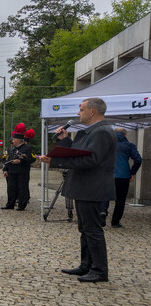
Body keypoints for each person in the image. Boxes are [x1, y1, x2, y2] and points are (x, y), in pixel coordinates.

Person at [39, 98, 116, 283]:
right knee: (85, 229)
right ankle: (86, 265)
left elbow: (91, 160)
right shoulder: (92, 131)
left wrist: (55, 161)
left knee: (92, 230)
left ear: (92, 111)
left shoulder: (102, 132)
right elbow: (79, 152)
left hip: (91, 187)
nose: (78, 113)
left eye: (81, 110)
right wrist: (65, 141)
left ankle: (99, 270)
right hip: (85, 187)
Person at [102, 128, 142, 228]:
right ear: (125, 135)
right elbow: (138, 160)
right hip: (123, 176)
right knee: (120, 200)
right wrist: (132, 172)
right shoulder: (129, 145)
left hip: (107, 175)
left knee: (105, 196)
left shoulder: (106, 144)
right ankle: (115, 222)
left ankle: (102, 212)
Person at [2, 124, 34, 211]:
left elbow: (32, 159)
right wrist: (5, 169)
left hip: (22, 172)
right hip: (12, 171)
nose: (12, 141)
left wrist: (21, 161)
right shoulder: (11, 149)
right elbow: (7, 160)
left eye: (14, 139)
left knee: (22, 188)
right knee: (11, 188)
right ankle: (10, 204)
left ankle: (22, 205)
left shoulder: (27, 148)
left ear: (19, 140)